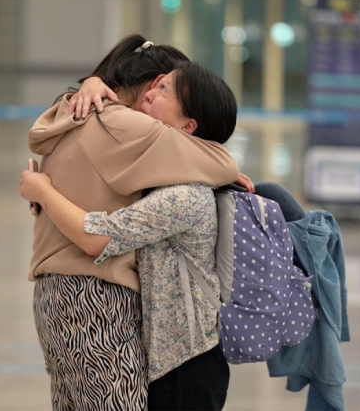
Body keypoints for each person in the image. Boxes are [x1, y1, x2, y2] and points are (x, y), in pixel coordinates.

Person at [24, 34, 240, 411]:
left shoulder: (72, 112)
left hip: (50, 296)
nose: (155, 96)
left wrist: (94, 82)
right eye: (160, 85)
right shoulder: (127, 127)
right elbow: (223, 163)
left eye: (167, 90)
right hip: (97, 298)